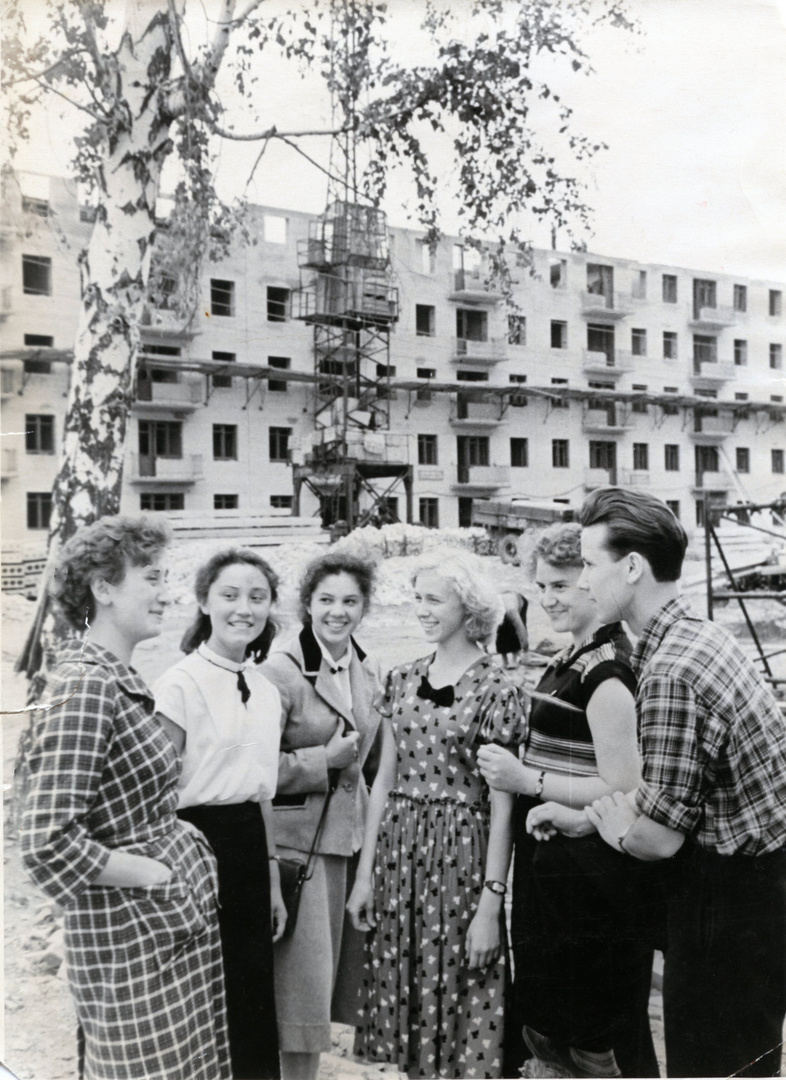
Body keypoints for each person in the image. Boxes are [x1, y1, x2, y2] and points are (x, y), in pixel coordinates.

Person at [532, 486, 786, 1078]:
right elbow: (673, 790)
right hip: (759, 893)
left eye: (591, 566)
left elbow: (657, 839)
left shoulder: (669, 669)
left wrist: (616, 825)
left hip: (726, 907)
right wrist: (589, 815)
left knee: (711, 1067)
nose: (585, 583)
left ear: (631, 566)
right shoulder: (698, 632)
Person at [20, 515, 230, 1080]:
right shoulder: (87, 685)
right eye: (152, 579)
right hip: (128, 946)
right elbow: (44, 842)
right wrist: (152, 875)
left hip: (157, 941)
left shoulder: (115, 678)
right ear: (104, 589)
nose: (167, 595)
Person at [478, 523, 658, 1079]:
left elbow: (625, 786)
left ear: (592, 582)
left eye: (560, 585)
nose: (547, 599)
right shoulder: (572, 658)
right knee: (555, 1037)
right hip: (556, 880)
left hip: (590, 883)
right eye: (540, 588)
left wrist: (525, 778)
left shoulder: (605, 673)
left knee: (596, 1044)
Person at [347, 550, 526, 1079]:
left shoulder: (499, 688)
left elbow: (503, 803)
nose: (421, 610)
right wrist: (364, 878)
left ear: (469, 607)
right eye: (417, 598)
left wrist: (493, 904)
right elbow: (382, 780)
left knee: (462, 994)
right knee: (406, 997)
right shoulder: (401, 679)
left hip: (462, 862)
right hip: (399, 860)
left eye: (433, 599)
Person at [153, 549, 286, 1080]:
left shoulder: (267, 690)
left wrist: (272, 878)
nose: (243, 609)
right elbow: (158, 792)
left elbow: (261, 794)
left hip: (251, 849)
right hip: (195, 846)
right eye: (229, 595)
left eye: (257, 597)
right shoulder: (178, 685)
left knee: (252, 995)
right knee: (202, 995)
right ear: (205, 602)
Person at [261, 552, 382, 1080]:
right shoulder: (279, 671)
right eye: (326, 600)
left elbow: (374, 761)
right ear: (306, 604)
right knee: (299, 998)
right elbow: (252, 771)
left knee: (326, 989)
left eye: (350, 601)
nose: (338, 612)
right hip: (294, 852)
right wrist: (321, 762)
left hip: (345, 846)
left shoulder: (366, 666)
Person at [494, 589, 529, 668]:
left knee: (514, 631)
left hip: (519, 601)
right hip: (505, 598)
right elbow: (487, 629)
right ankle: (504, 660)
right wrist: (484, 647)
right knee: (500, 632)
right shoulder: (493, 610)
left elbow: (521, 629)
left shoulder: (512, 611)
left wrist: (526, 649)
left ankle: (514, 659)